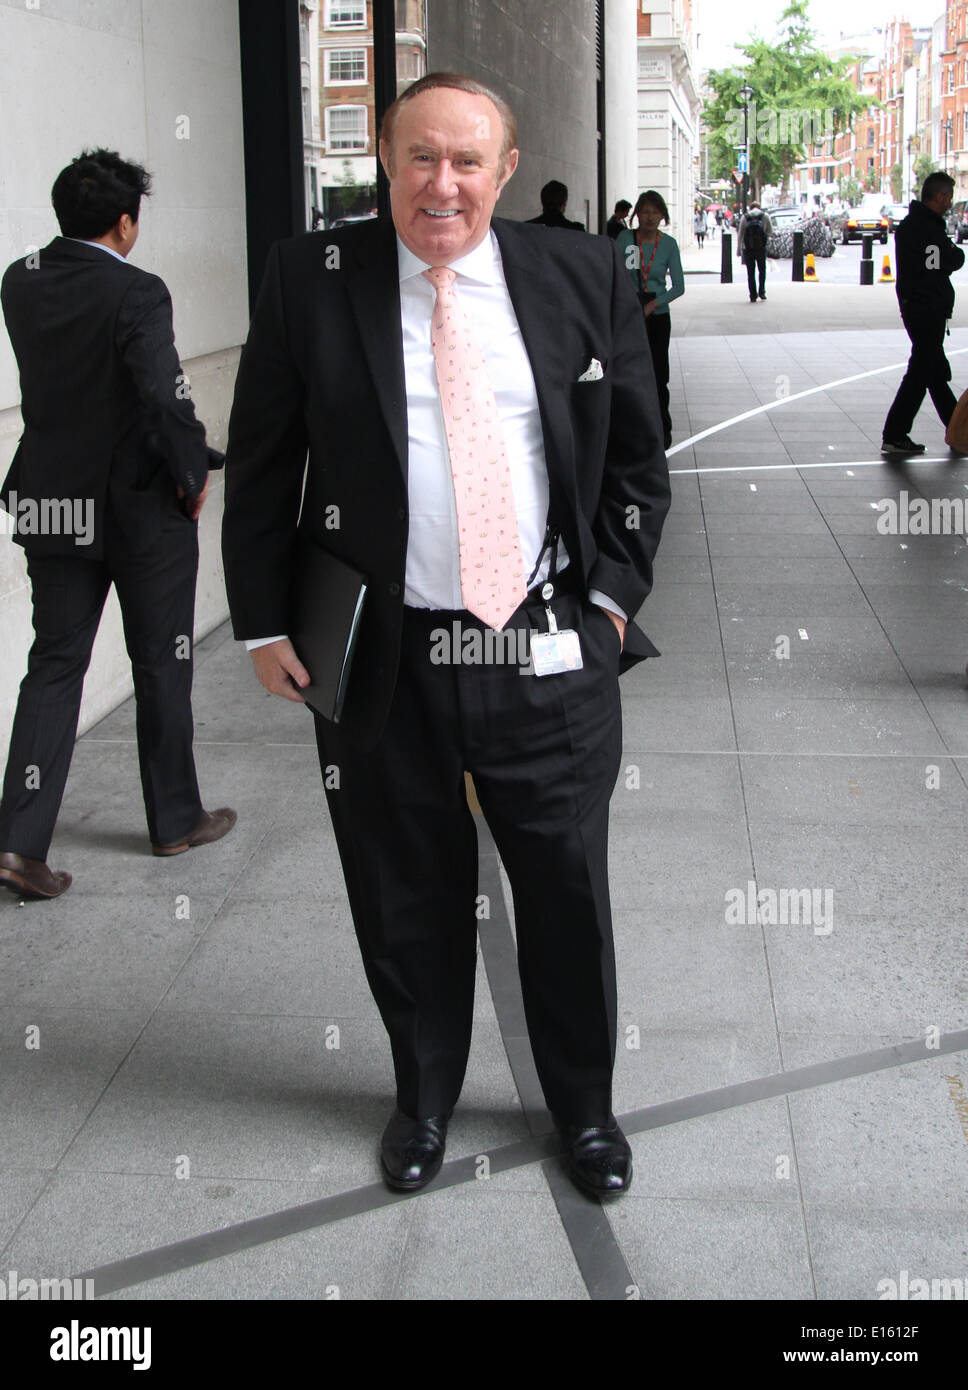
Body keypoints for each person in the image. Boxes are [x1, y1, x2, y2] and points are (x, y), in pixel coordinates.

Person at [222, 73, 670, 1200]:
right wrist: (265, 621)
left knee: (565, 891)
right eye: (420, 156)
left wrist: (609, 603)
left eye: (468, 161)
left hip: (543, 645)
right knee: (401, 888)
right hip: (384, 654)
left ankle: (583, 1110)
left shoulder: (579, 274)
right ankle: (421, 1097)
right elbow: (265, 464)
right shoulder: (309, 280)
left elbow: (634, 460)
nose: (443, 184)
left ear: (504, 170)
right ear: (383, 156)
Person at [0, 149, 236, 900]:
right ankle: (174, 820)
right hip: (137, 506)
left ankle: (17, 844)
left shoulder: (18, 280)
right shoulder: (138, 292)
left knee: (54, 663)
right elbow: (163, 396)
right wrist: (193, 472)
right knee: (161, 660)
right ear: (126, 222)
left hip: (50, 499)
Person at [882, 172, 965, 455]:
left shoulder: (911, 226)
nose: (949, 203)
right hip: (927, 307)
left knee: (933, 370)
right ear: (939, 197)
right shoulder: (927, 229)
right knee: (921, 371)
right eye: (948, 198)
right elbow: (944, 260)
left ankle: (958, 429)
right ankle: (895, 433)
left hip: (916, 305)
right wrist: (954, 254)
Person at [615, 191, 684, 450]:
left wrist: (654, 304)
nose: (649, 217)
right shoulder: (625, 239)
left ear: (662, 216)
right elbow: (615, 273)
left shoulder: (668, 245)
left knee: (657, 375)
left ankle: (662, 430)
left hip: (656, 318)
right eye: (645, 211)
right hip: (629, 316)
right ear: (637, 214)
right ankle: (633, 429)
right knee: (630, 373)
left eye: (655, 212)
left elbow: (678, 286)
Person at [737, 202, 773, 301]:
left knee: (750, 272)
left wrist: (739, 250)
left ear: (750, 208)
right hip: (761, 248)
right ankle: (762, 292)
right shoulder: (765, 216)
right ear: (759, 208)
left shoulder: (745, 217)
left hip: (748, 249)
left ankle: (753, 295)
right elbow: (770, 232)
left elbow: (740, 234)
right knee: (762, 270)